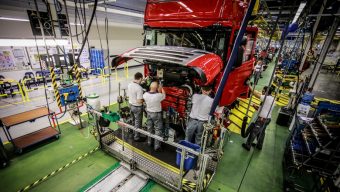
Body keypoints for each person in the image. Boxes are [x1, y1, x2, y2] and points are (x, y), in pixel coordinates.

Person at [242, 86, 275, 151]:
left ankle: (248, 146)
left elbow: (256, 94)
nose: (262, 92)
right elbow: (261, 109)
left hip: (262, 119)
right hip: (267, 119)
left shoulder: (267, 98)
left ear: (267, 92)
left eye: (263, 91)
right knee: (261, 133)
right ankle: (259, 145)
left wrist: (249, 85)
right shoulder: (271, 98)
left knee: (254, 132)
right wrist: (254, 105)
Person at [143, 81, 166, 151]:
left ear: (150, 87)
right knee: (158, 130)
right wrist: (161, 88)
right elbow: (164, 95)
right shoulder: (158, 96)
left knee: (149, 128)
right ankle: (157, 146)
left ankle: (149, 142)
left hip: (149, 113)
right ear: (156, 88)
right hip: (156, 114)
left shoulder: (145, 94)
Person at [127, 72, 144, 141]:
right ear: (140, 78)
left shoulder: (129, 84)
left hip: (130, 105)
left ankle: (134, 133)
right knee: (138, 122)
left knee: (133, 120)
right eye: (141, 79)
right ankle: (137, 137)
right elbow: (139, 101)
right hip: (137, 107)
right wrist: (145, 99)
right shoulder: (139, 88)